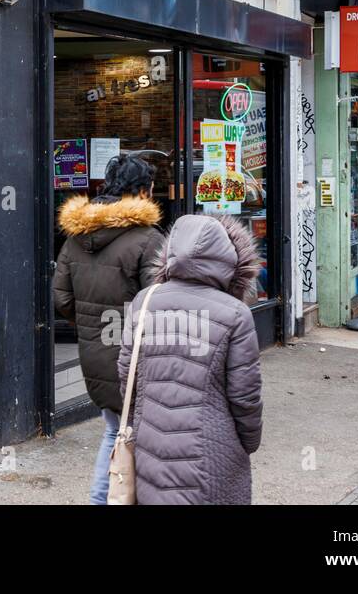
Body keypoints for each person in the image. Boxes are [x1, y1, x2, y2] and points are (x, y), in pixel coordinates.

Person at [117, 213, 263, 505]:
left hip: (150, 445)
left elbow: (125, 377)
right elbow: (245, 396)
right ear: (229, 258)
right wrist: (248, 442)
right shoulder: (235, 314)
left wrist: (141, 423)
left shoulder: (144, 301)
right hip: (210, 451)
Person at [53, 154, 164, 505]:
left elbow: (62, 298)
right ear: (143, 192)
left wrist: (90, 325)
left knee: (114, 431)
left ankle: (102, 500)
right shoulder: (148, 239)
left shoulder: (75, 238)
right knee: (145, 436)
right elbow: (157, 305)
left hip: (94, 351)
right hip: (136, 357)